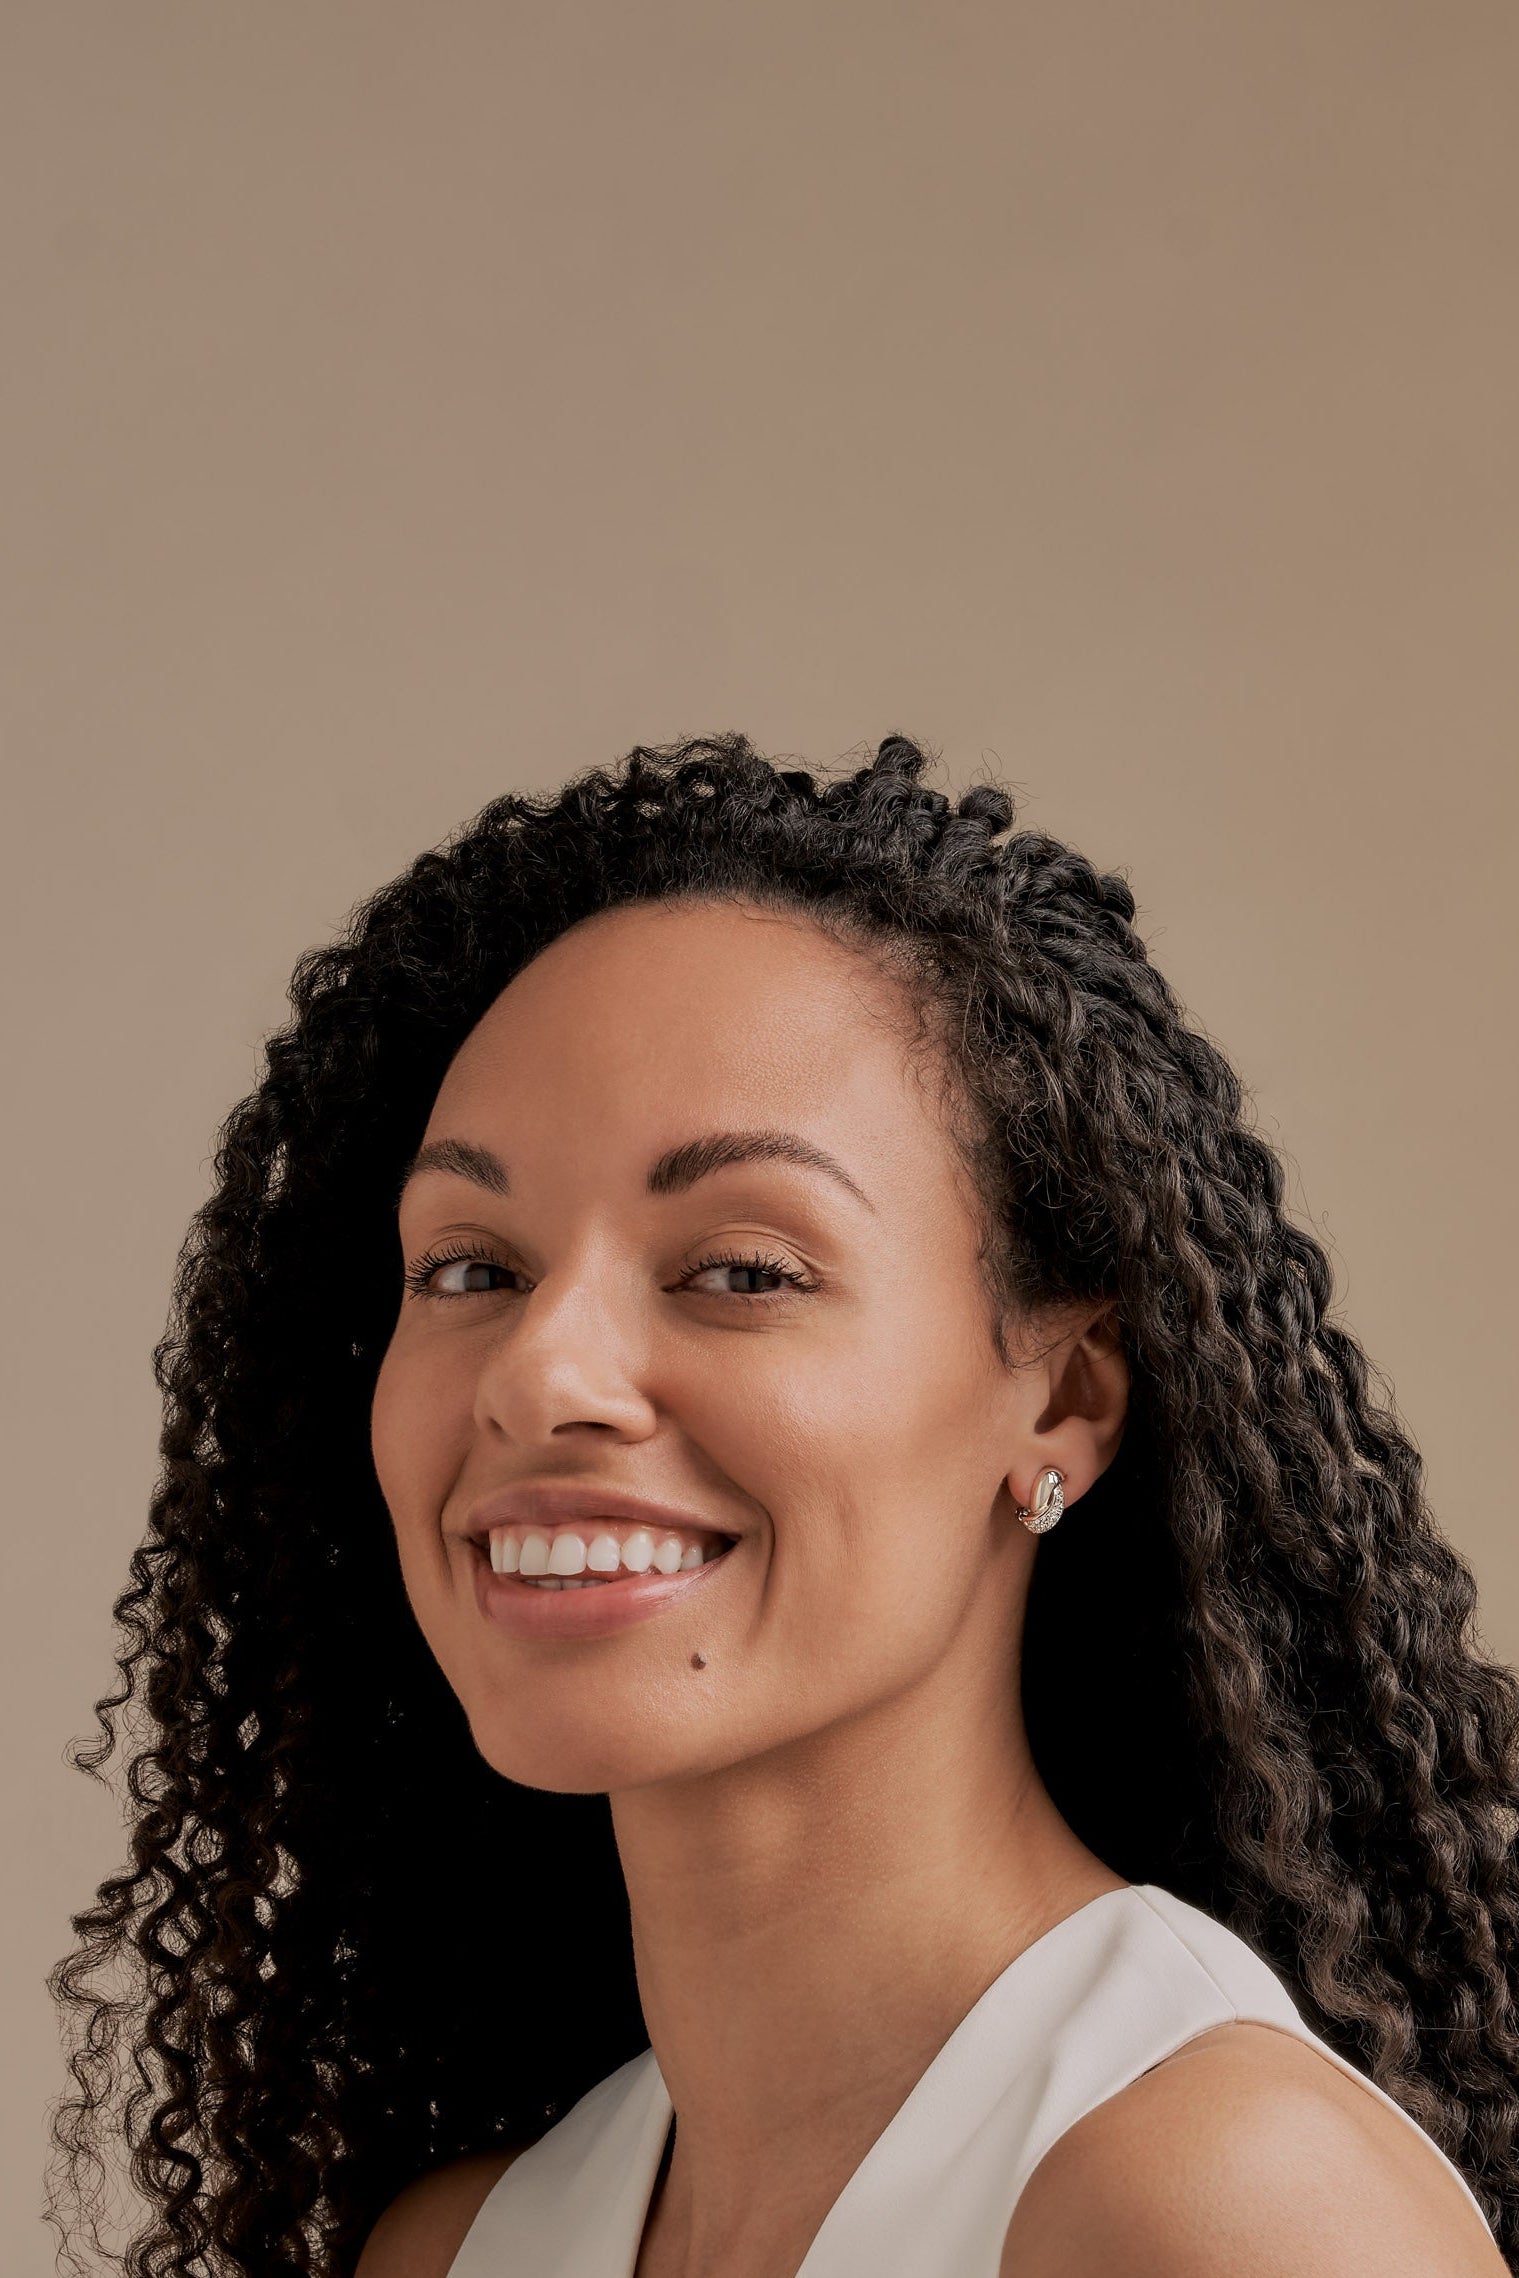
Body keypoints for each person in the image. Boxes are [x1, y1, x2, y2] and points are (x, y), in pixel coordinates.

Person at [51, 734, 1517, 2278]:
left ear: (1066, 1398)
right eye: (470, 1266)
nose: (540, 1371)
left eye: (743, 1268)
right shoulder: (461, 2249)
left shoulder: (1230, 2210)